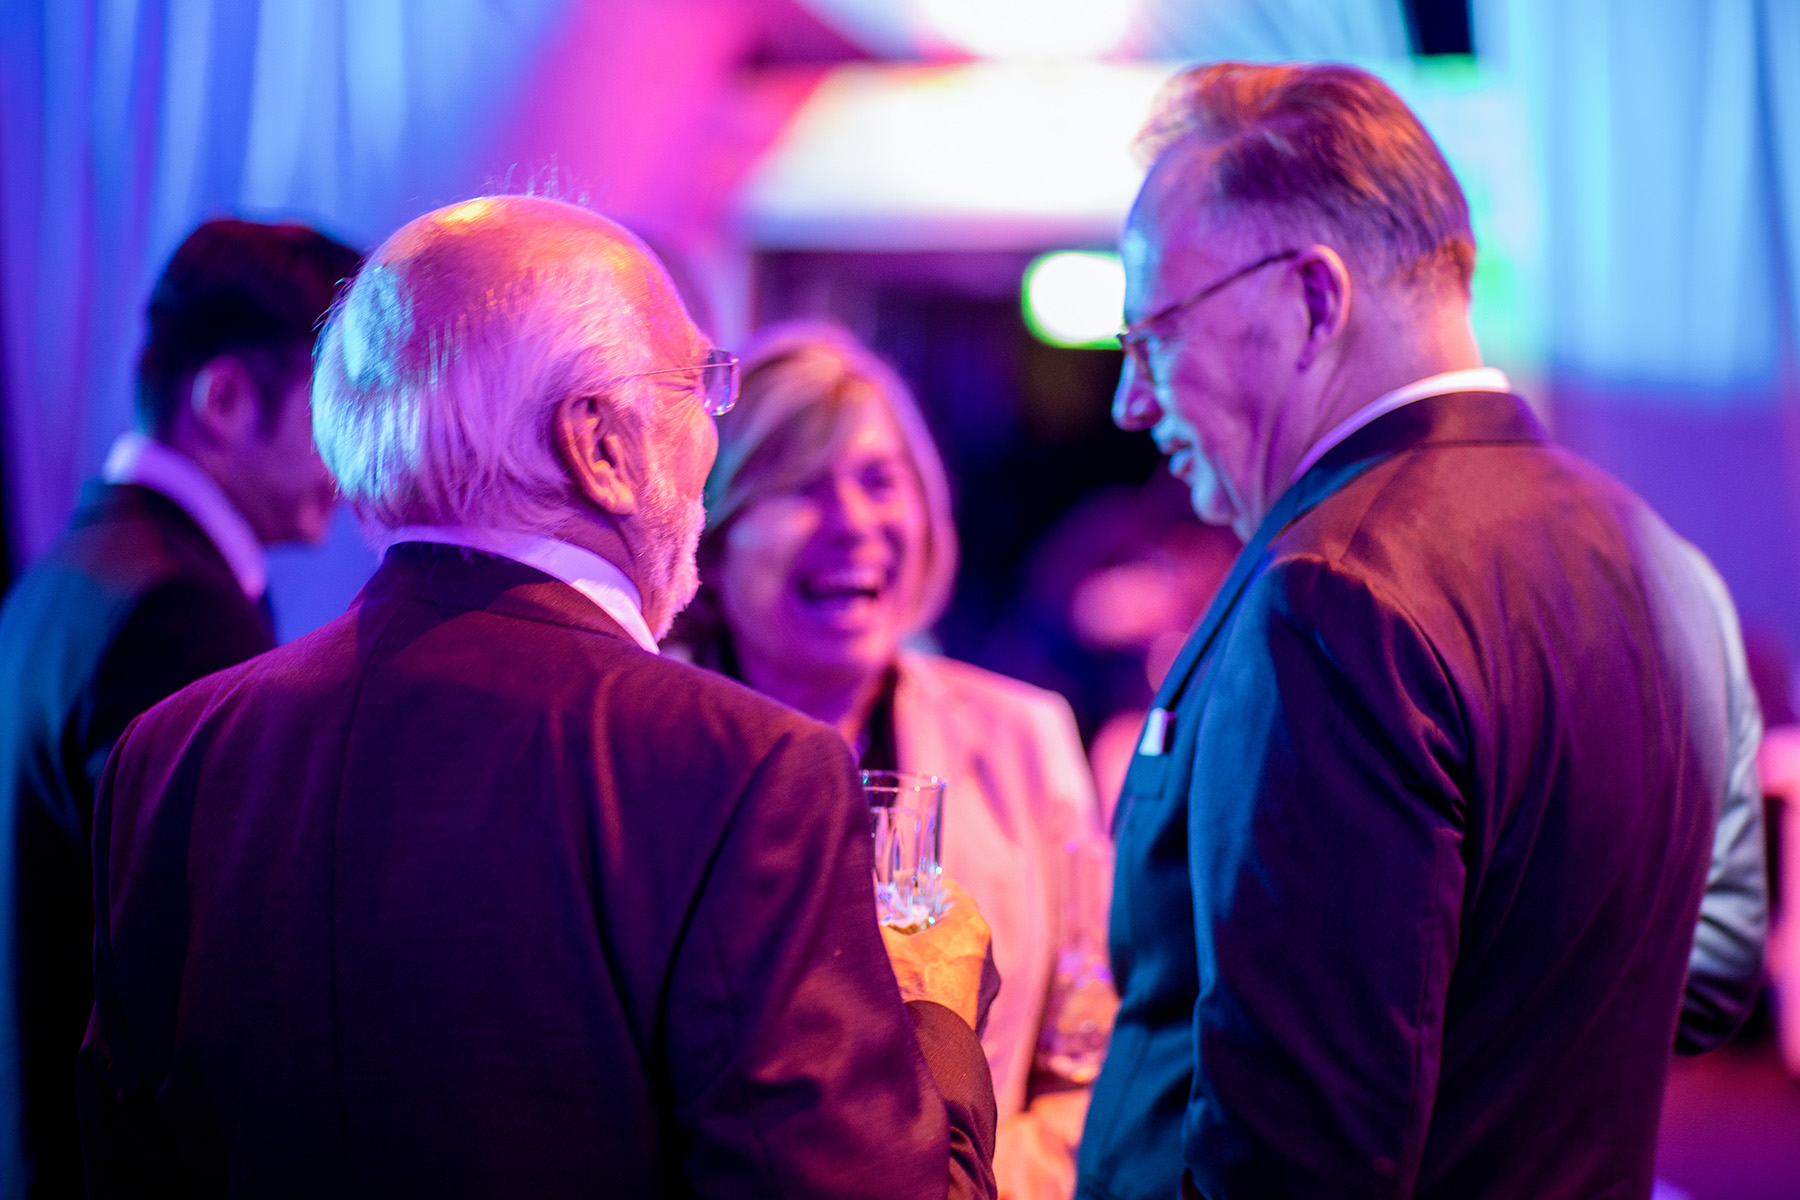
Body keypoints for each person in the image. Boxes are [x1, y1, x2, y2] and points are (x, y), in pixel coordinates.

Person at [76, 196, 1000, 1197]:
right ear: (599, 448)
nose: (709, 444)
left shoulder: (172, 754)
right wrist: (937, 1019)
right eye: (700, 387)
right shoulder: (743, 771)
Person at [1078, 62, 1768, 1200]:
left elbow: (1295, 1168)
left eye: (1152, 337)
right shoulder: (1668, 565)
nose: (1131, 402)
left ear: (1312, 300)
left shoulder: (1332, 594)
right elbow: (1705, 980)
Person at [668, 322, 1116, 1199]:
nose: (853, 522)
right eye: (799, 487)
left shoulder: (1025, 737)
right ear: (712, 539)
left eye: (879, 481)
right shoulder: (652, 751)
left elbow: (1085, 1065)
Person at [0, 217, 359, 1198]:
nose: (357, 452)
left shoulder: (73, 572)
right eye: (340, 403)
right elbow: (210, 981)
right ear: (225, 399)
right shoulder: (175, 611)